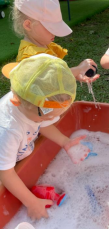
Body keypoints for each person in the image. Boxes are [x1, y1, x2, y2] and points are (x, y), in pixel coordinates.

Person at [0, 54, 89, 220]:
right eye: (45, 116)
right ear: (17, 101)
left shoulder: (35, 108)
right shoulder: (8, 130)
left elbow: (42, 123)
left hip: (14, 156)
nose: (50, 120)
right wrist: (31, 202)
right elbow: (6, 174)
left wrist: (65, 141)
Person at [11, 0, 99, 83]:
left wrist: (76, 75)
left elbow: (54, 79)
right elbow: (49, 78)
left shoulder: (44, 46)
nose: (54, 32)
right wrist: (78, 69)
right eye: (50, 27)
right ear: (28, 25)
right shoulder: (30, 55)